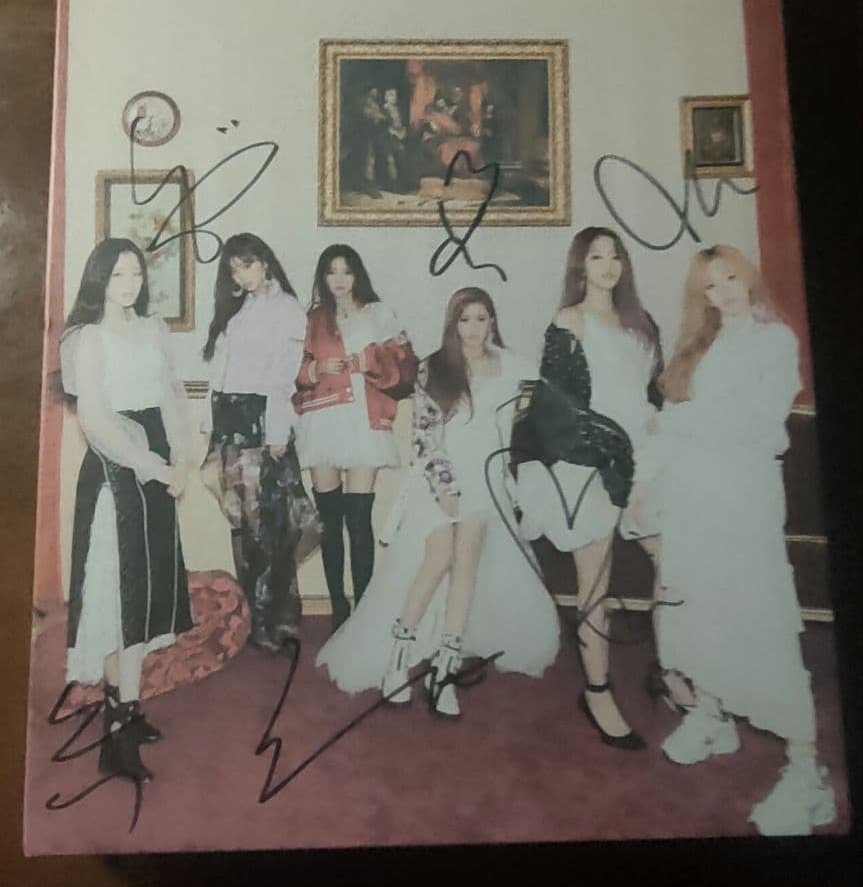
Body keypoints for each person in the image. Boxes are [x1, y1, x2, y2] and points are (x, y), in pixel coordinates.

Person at [649, 244, 836, 837]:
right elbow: (674, 423)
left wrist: (675, 421)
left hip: (744, 498)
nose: (725, 292)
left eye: (731, 278)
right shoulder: (701, 343)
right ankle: (712, 716)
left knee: (760, 619)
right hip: (692, 497)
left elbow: (752, 423)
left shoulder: (773, 340)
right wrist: (649, 483)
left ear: (749, 278)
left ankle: (807, 773)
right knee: (698, 608)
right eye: (711, 285)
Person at [316, 287, 560, 719]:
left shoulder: (508, 366)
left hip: (485, 480)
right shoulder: (435, 369)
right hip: (439, 479)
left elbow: (543, 394)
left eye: (481, 318)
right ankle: (398, 656)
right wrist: (445, 488)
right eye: (465, 320)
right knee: (439, 555)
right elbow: (424, 438)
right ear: (453, 324)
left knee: (467, 560)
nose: (474, 328)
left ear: (492, 321)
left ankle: (445, 667)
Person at [515, 227, 664, 750]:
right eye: (596, 257)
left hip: (648, 456)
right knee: (595, 581)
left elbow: (654, 393)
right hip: (591, 459)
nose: (607, 265)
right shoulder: (569, 321)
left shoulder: (642, 323)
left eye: (614, 255)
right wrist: (615, 464)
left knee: (675, 565)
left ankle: (672, 671)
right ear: (580, 267)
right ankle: (598, 691)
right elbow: (563, 412)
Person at [60, 238, 194, 784]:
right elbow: (95, 419)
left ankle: (129, 709)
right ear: (99, 279)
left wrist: (181, 457)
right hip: (117, 473)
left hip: (154, 464)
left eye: (135, 273)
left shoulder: (152, 328)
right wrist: (151, 466)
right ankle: (116, 736)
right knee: (120, 594)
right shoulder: (88, 337)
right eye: (117, 274)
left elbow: (171, 398)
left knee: (146, 592)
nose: (129, 283)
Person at [202, 233, 321, 654]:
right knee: (243, 523)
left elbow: (283, 375)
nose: (242, 275)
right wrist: (210, 428)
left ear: (265, 262)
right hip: (229, 422)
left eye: (247, 265)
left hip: (262, 420)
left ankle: (278, 618)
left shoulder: (286, 308)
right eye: (234, 268)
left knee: (272, 523)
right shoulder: (236, 308)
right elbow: (219, 373)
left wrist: (276, 433)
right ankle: (254, 618)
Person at [294, 245, 417, 632]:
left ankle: (364, 612)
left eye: (346, 271)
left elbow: (405, 367)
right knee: (329, 522)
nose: (339, 279)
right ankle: (338, 609)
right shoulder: (313, 318)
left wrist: (363, 362)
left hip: (364, 419)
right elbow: (293, 368)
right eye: (331, 271)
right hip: (322, 419)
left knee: (359, 520)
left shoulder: (380, 314)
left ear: (357, 274)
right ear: (323, 276)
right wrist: (316, 369)